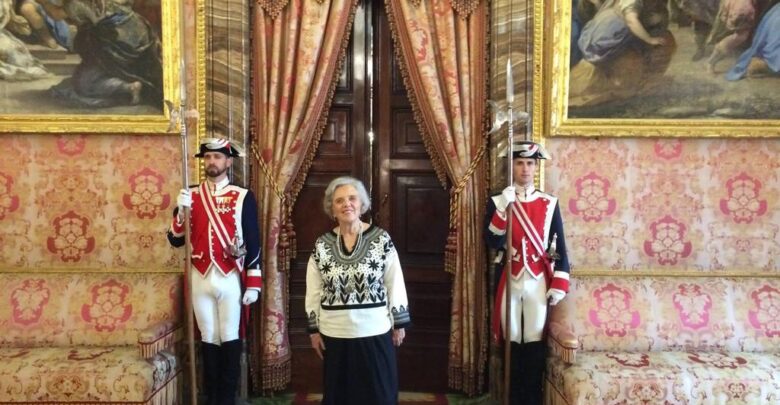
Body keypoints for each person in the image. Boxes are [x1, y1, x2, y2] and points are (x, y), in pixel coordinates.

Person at [167, 138, 262, 405]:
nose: (212, 162)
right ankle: (212, 398)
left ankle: (227, 399)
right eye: (208, 158)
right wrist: (180, 214)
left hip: (230, 275)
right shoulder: (190, 195)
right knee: (208, 337)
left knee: (230, 336)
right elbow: (175, 240)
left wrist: (254, 284)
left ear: (228, 162)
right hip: (199, 274)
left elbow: (253, 242)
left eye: (218, 157)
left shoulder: (242, 196)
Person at [305, 176, 410, 405]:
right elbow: (313, 289)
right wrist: (313, 329)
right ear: (332, 208)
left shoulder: (381, 239)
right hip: (335, 332)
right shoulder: (322, 245)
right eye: (339, 201)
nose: (347, 204)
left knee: (378, 394)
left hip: (374, 330)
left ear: (362, 205)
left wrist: (399, 321)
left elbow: (394, 281)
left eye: (352, 199)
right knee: (339, 396)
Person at [485, 141, 570, 405]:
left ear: (536, 167)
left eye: (530, 163)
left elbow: (559, 247)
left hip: (537, 279)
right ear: (512, 166)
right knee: (510, 341)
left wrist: (558, 284)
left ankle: (530, 400)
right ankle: (509, 398)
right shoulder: (499, 201)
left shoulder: (549, 202)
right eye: (520, 163)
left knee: (534, 341)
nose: (525, 168)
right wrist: (502, 209)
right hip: (509, 277)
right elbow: (491, 239)